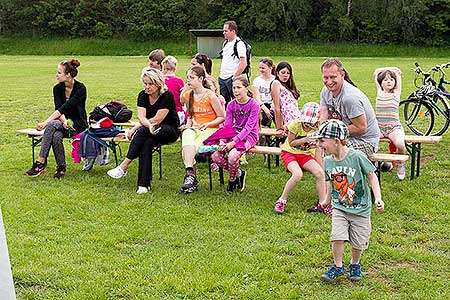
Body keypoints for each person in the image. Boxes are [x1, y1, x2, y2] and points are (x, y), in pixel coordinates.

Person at [308, 119, 384, 282]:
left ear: (336, 141)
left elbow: (372, 176)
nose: (319, 144)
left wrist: (377, 197)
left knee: (358, 241)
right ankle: (338, 266)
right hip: (340, 208)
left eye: (322, 141)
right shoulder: (328, 161)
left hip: (360, 209)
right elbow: (330, 182)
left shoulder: (357, 157)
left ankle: (354, 264)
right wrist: (326, 200)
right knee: (337, 236)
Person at [107, 68, 180, 194]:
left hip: (169, 129)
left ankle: (124, 165)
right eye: (145, 83)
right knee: (147, 143)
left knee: (144, 132)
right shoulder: (142, 95)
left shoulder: (167, 95)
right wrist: (141, 127)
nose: (147, 87)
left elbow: (157, 120)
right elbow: (141, 117)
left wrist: (138, 128)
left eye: (150, 84)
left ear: (158, 84)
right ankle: (143, 185)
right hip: (149, 129)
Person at [25, 59, 88, 178]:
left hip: (78, 124)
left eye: (59, 72)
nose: (56, 75)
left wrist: (45, 122)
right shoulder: (57, 88)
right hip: (62, 122)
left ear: (68, 74)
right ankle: (61, 168)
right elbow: (59, 108)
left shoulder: (81, 89)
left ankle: (40, 162)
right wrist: (64, 121)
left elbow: (65, 107)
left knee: (51, 125)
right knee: (56, 135)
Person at [205, 76, 260, 194]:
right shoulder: (230, 104)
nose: (235, 90)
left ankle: (232, 181)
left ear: (246, 88)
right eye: (234, 87)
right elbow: (227, 127)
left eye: (239, 87)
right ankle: (239, 173)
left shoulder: (254, 105)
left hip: (249, 136)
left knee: (232, 156)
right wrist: (222, 142)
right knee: (215, 157)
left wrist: (233, 142)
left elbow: (249, 127)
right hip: (233, 134)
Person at [319, 58, 380, 158]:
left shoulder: (350, 98)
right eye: (326, 77)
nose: (329, 82)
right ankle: (322, 172)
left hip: (365, 141)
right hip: (343, 136)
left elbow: (361, 128)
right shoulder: (325, 91)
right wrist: (321, 134)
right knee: (318, 145)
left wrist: (332, 134)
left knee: (333, 147)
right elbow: (323, 118)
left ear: (342, 75)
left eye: (332, 77)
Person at [274, 102, 328, 214]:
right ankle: (282, 200)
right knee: (297, 174)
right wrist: (305, 139)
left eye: (310, 122)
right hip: (290, 152)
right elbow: (292, 143)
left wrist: (315, 144)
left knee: (320, 173)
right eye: (306, 121)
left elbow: (318, 144)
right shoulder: (295, 125)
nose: (307, 124)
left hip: (305, 154)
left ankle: (323, 203)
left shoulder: (318, 127)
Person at [178, 66, 225, 193]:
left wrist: (209, 124)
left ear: (201, 78)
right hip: (195, 128)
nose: (188, 80)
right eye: (187, 77)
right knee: (187, 133)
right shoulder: (189, 95)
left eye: (191, 78)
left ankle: (190, 180)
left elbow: (222, 117)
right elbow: (191, 116)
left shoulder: (211, 96)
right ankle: (190, 174)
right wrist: (188, 125)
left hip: (210, 129)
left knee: (187, 151)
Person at [374, 67, 406, 180]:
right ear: (381, 82)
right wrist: (390, 69)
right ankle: (372, 165)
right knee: (369, 142)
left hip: (393, 128)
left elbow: (398, 77)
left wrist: (396, 72)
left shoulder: (396, 93)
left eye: (391, 79)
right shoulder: (380, 92)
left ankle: (400, 163)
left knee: (400, 145)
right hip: (379, 128)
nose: (389, 81)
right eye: (386, 80)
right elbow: (376, 71)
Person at [219, 20, 247, 105]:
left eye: (226, 31)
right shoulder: (225, 43)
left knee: (237, 101)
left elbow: (243, 62)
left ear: (233, 31)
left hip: (231, 78)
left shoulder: (239, 44)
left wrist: (235, 76)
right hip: (222, 78)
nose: (224, 33)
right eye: (223, 31)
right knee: (225, 103)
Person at [271, 61, 301, 136]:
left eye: (288, 73)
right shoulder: (276, 83)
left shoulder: (289, 87)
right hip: (289, 121)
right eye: (283, 72)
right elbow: (277, 108)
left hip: (296, 117)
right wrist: (279, 128)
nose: (286, 75)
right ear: (277, 73)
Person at [162, 55, 186, 125]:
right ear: (175, 68)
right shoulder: (179, 81)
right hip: (177, 112)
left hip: (161, 112)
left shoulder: (160, 81)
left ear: (163, 67)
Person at [252, 57, 276, 127]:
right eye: (260, 68)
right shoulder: (257, 80)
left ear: (270, 68)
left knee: (276, 114)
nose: (261, 70)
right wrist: (265, 109)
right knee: (264, 118)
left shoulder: (275, 80)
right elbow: (256, 98)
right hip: (261, 105)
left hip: (273, 104)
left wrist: (273, 106)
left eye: (263, 68)